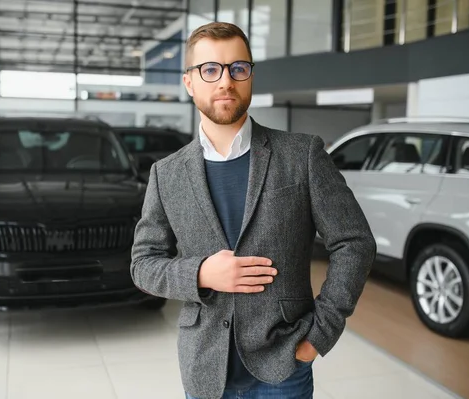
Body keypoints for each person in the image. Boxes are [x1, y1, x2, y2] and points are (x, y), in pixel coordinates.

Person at [130, 21, 376, 399]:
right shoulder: (166, 174)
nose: (225, 81)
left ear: (250, 77)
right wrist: (201, 273)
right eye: (209, 69)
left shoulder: (302, 155)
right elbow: (143, 264)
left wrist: (319, 335)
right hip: (204, 367)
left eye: (237, 68)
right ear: (189, 83)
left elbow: (354, 242)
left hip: (284, 365)